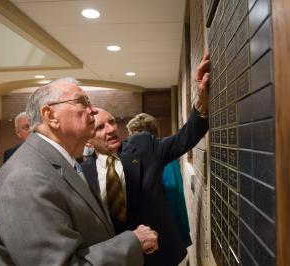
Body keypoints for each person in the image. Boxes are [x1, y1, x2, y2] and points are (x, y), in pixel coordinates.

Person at [0, 77, 158, 266]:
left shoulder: (63, 162)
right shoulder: (26, 177)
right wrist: (132, 242)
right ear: (50, 115)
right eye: (82, 102)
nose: (93, 110)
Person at [81, 52, 210, 266]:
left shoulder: (143, 148)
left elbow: (183, 139)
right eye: (100, 127)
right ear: (88, 138)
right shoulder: (82, 173)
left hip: (160, 257)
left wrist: (202, 103)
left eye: (112, 122)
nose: (111, 129)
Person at [126, 113, 192, 248]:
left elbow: (170, 196)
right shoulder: (165, 155)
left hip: (164, 237)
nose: (129, 140)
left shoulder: (158, 160)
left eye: (131, 134)